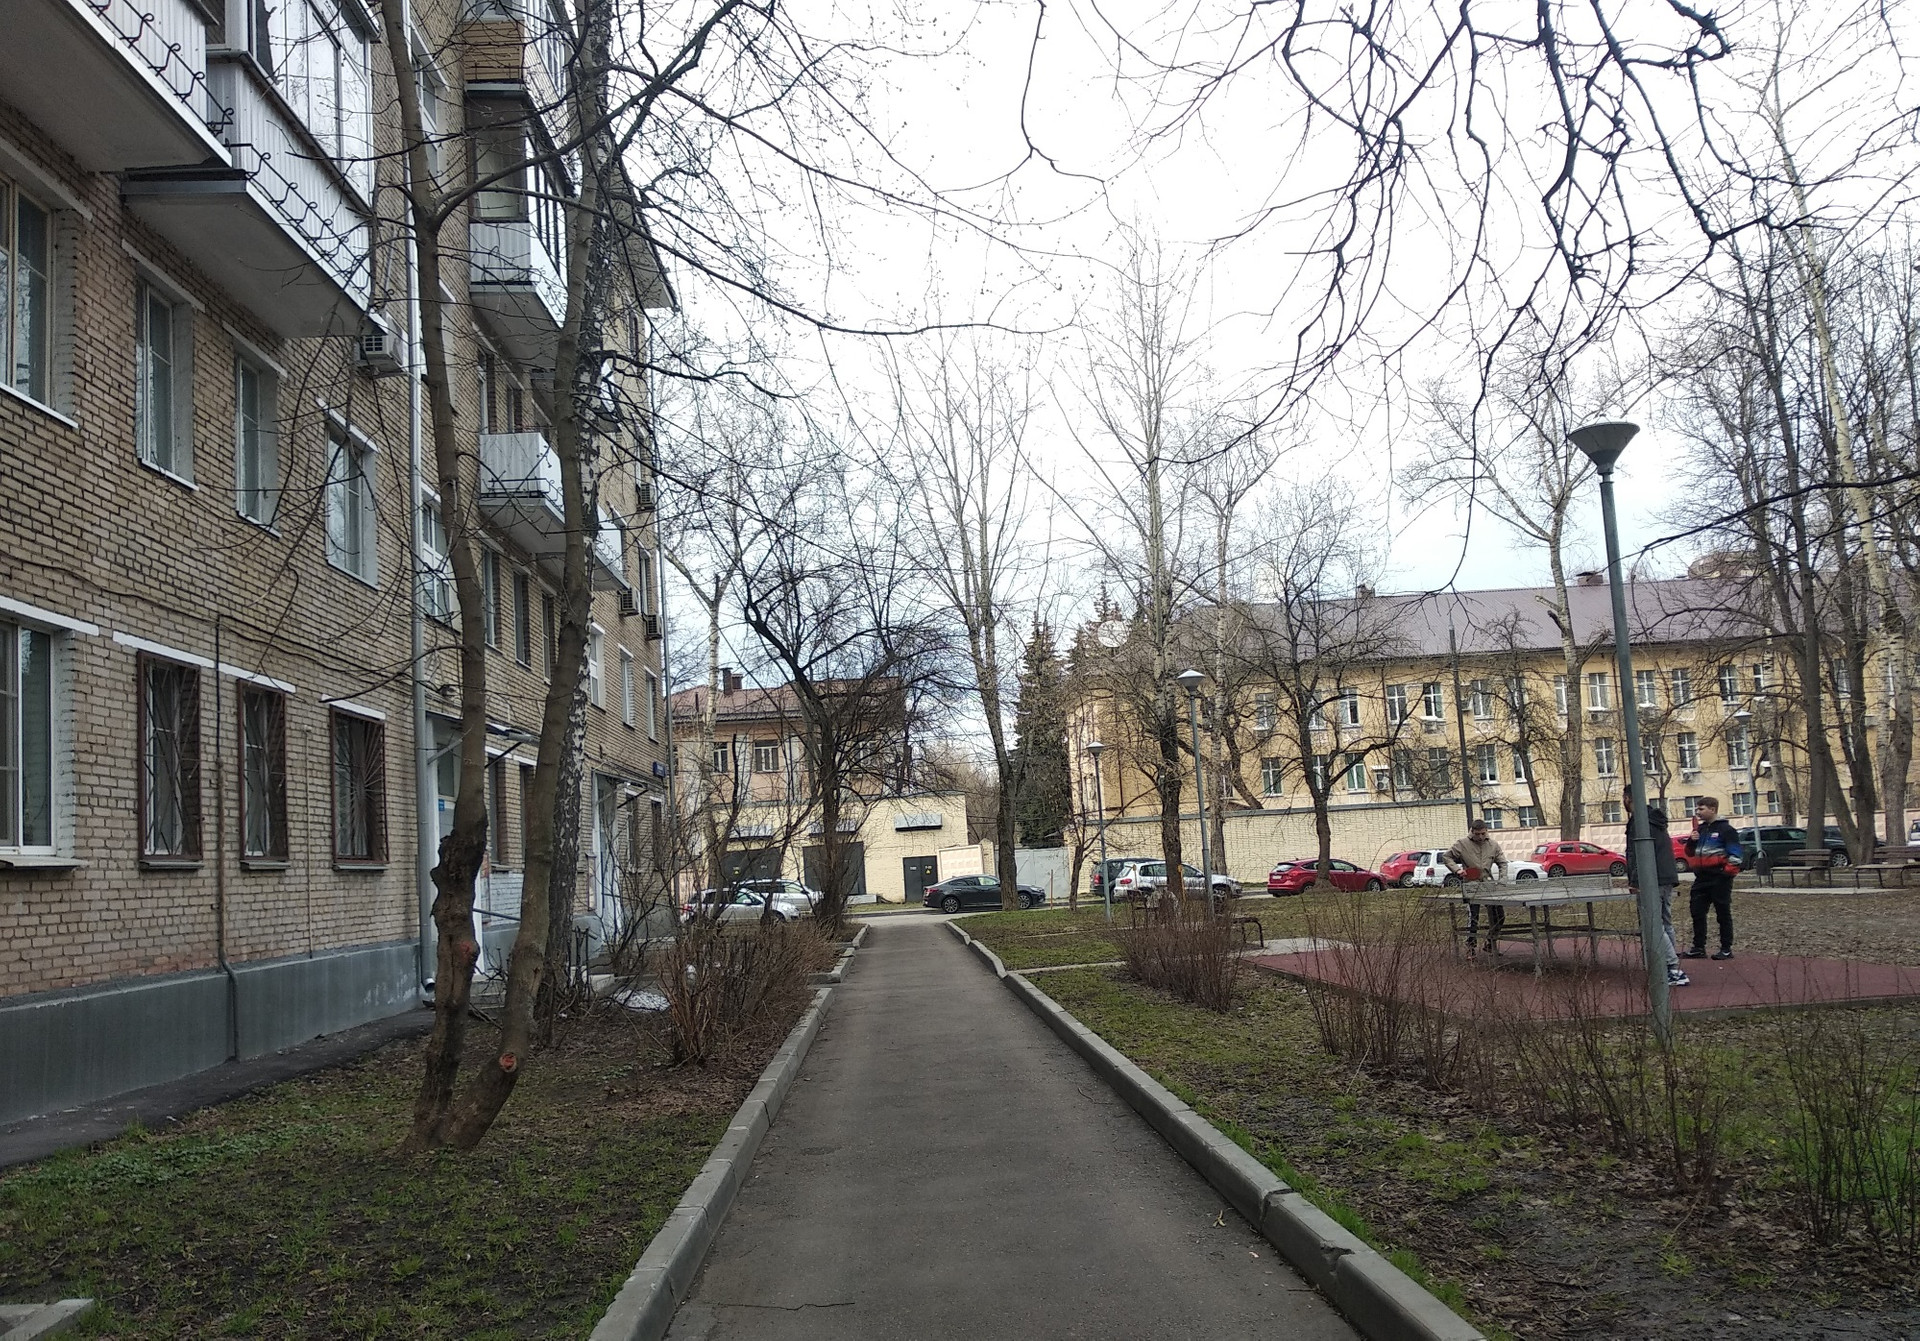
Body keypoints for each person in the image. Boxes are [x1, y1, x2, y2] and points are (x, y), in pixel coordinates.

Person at [1624, 786, 1688, 987]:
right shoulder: (1655, 819)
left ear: (1628, 798)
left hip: (1652, 879)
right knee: (1665, 922)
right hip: (1666, 876)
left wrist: (1635, 881)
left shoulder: (1640, 822)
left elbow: (1637, 853)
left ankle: (1671, 967)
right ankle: (1670, 965)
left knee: (1653, 923)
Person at [1682, 796, 1744, 961]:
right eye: (1697, 809)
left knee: (1722, 913)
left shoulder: (1726, 830)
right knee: (1697, 912)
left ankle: (1726, 948)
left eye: (1701, 809)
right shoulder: (1700, 830)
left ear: (1712, 809)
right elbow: (1689, 852)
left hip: (1719, 878)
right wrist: (1691, 841)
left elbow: (1736, 855)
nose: (1698, 812)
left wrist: (1726, 874)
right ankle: (1698, 947)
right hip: (1701, 878)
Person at [1443, 818, 1510, 954]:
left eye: (1483, 833)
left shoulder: (1493, 845)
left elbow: (1503, 863)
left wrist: (1502, 879)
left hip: (1488, 886)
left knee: (1499, 915)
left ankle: (1490, 942)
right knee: (1473, 918)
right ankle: (1471, 947)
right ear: (1472, 832)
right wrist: (1457, 870)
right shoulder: (1462, 844)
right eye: (1477, 834)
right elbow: (1446, 857)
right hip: (1471, 885)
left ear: (1486, 831)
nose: (1480, 837)